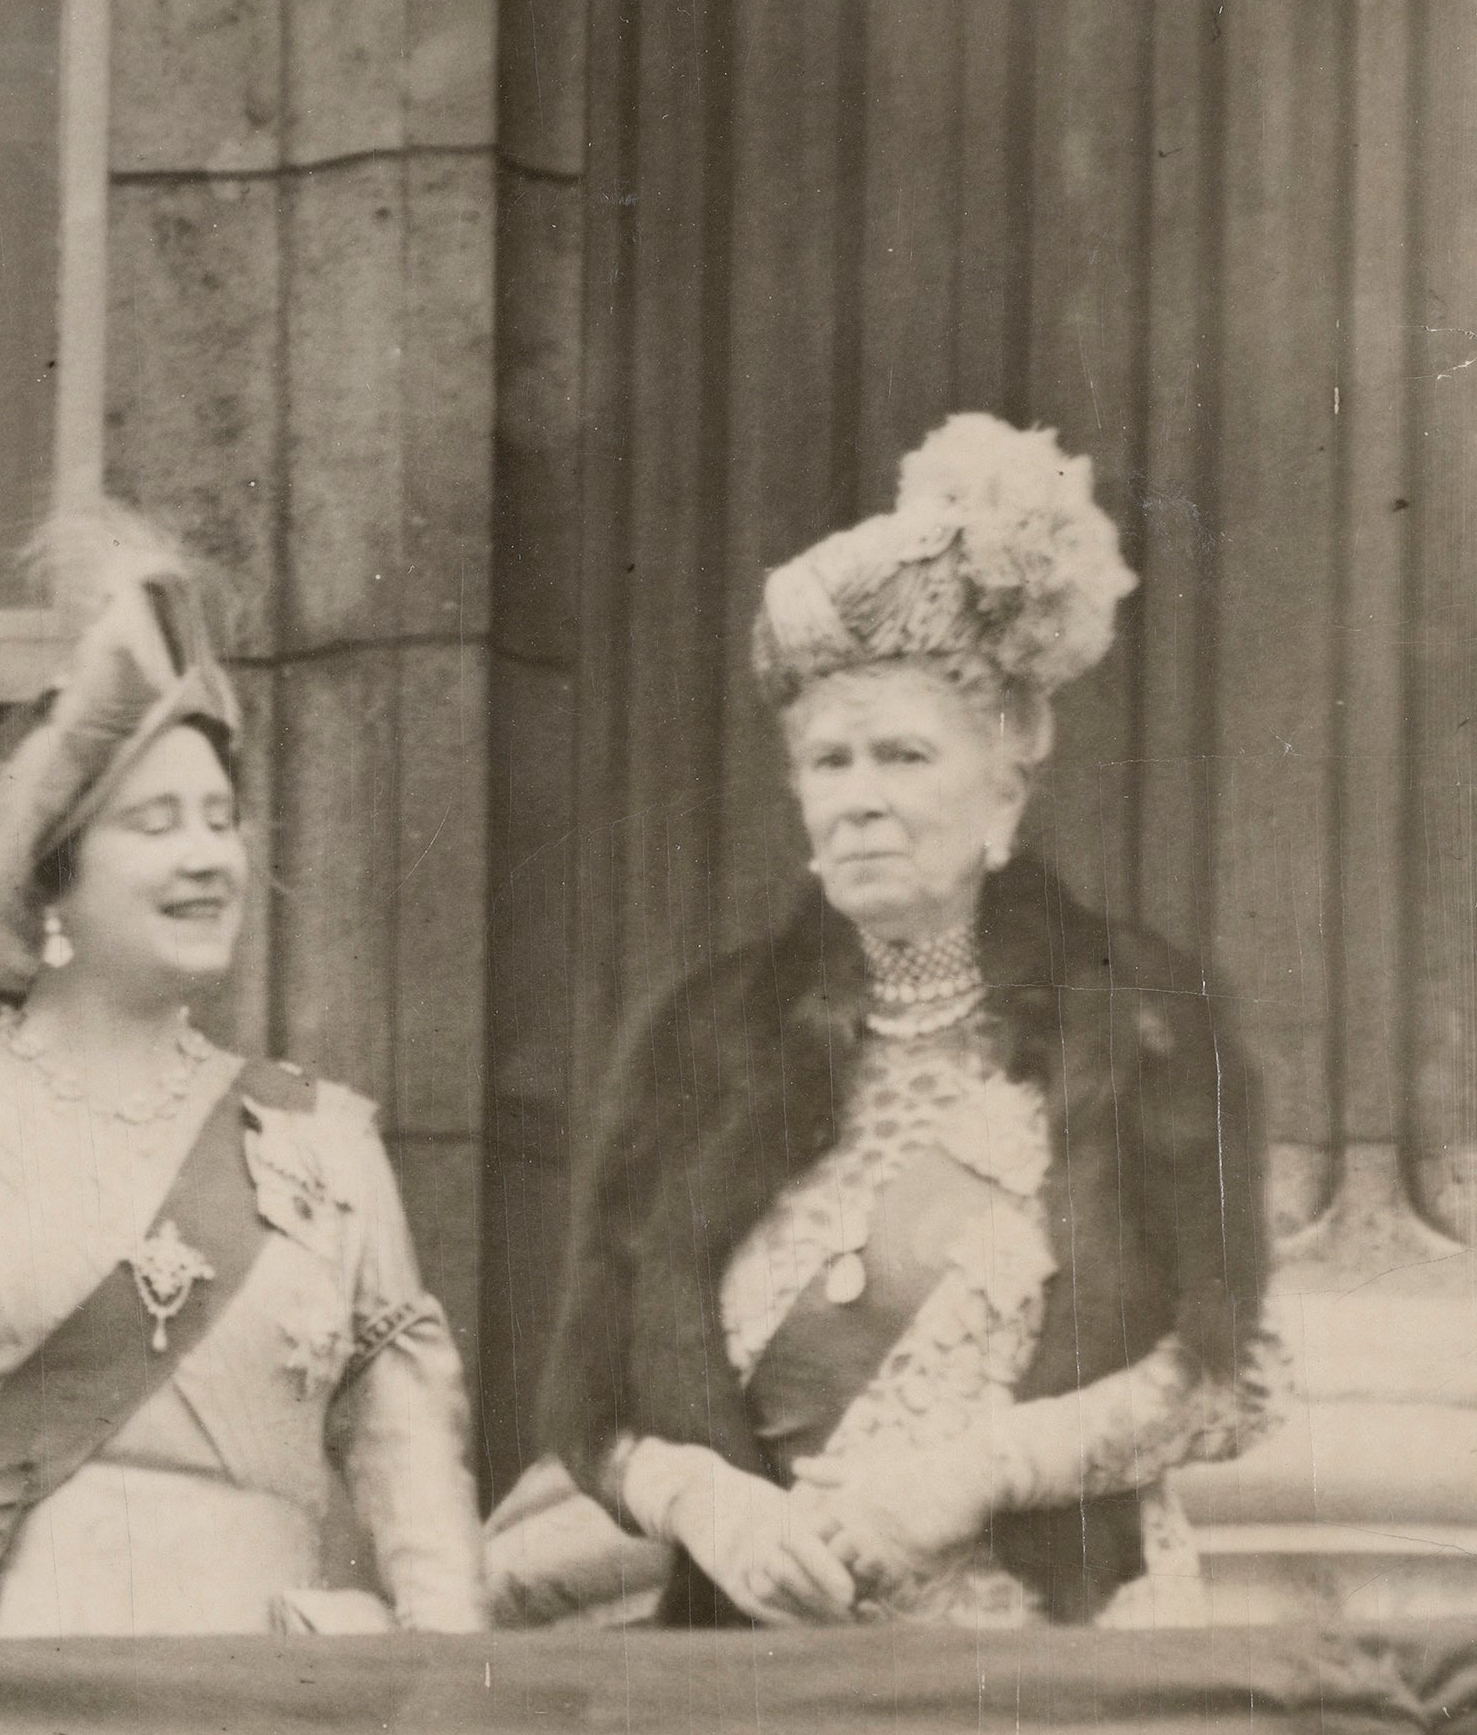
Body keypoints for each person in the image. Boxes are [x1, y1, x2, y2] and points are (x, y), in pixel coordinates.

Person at [537, 416, 1277, 1630]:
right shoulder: (700, 1045)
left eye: (903, 753)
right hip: (767, 1690)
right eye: (830, 762)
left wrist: (976, 1473)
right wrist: (699, 1499)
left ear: (1005, 783)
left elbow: (1228, 1378)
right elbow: (594, 1408)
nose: (863, 799)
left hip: (1048, 1670)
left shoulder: (1139, 1026)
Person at [0, 507, 483, 1640]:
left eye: (221, 820)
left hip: (268, 1726)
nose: (207, 855)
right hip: (0, 1708)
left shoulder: (324, 1139)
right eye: (154, 822)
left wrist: (447, 1712)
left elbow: (414, 1473)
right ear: (52, 888)